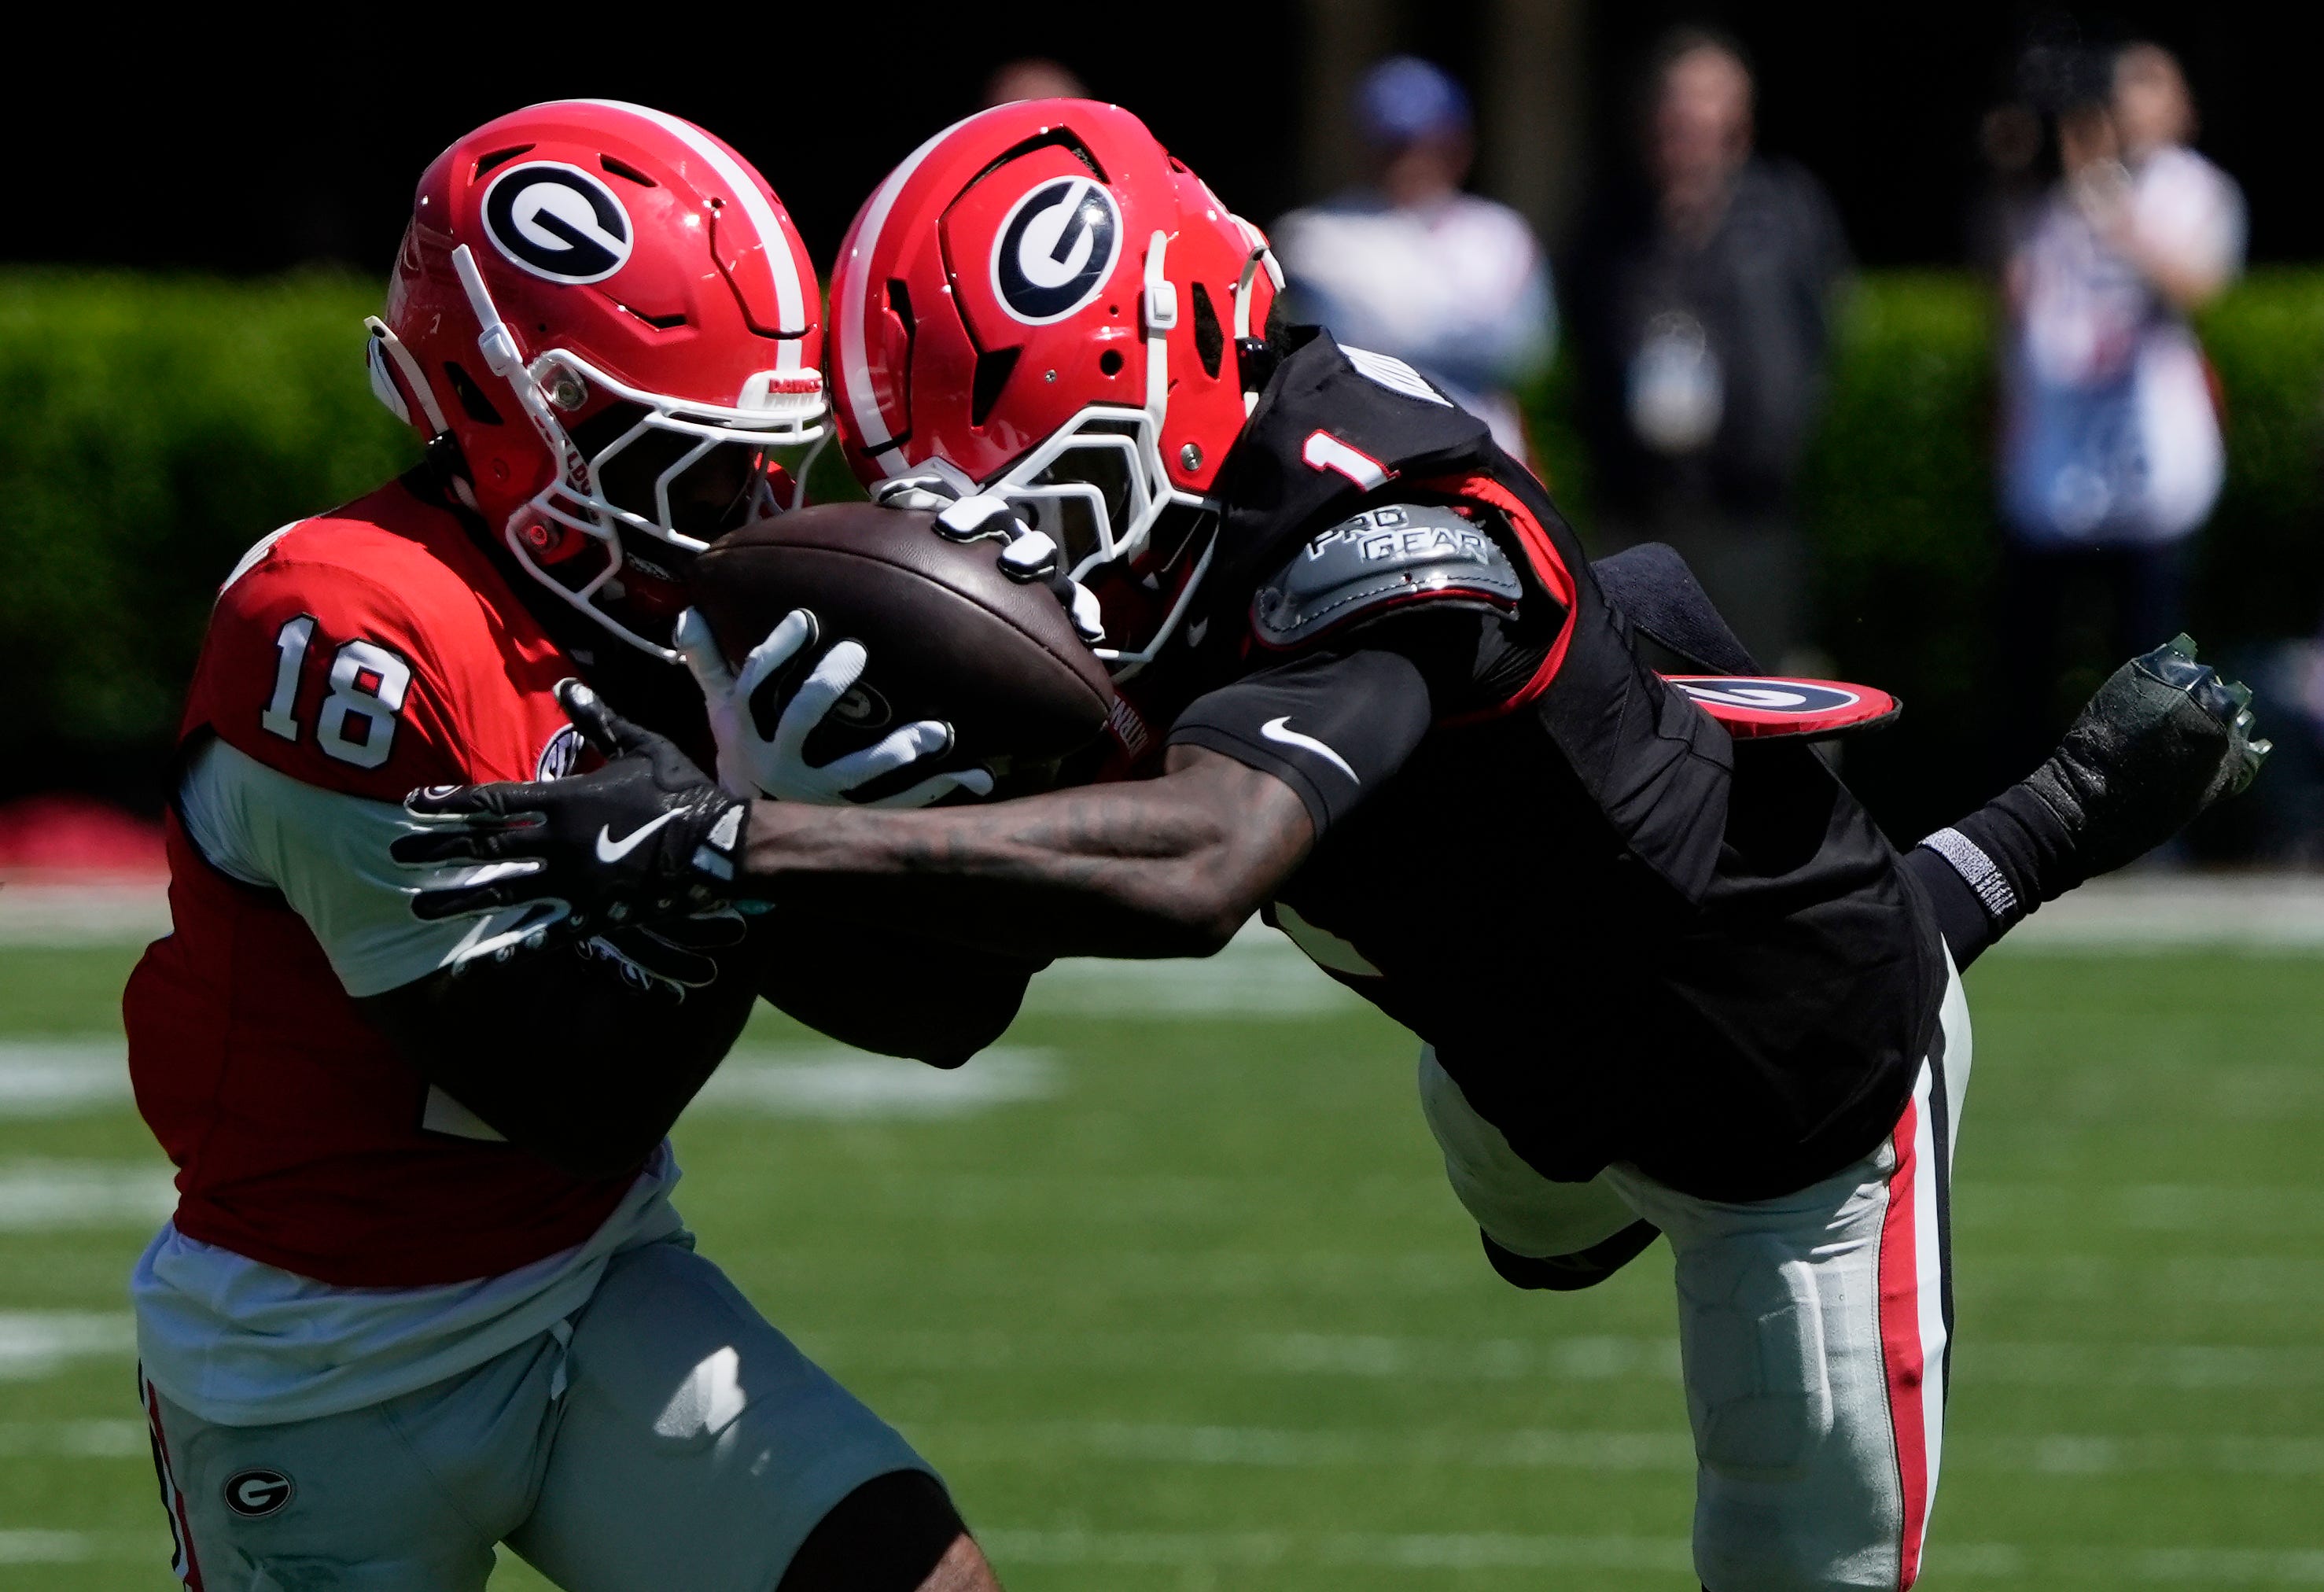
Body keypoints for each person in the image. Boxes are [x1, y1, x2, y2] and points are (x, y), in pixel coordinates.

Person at [403, 99, 2267, 1592]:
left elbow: (1207, 857)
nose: (1023, 569)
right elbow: (962, 998)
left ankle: (2035, 832)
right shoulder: (1167, 509)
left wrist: (753, 837)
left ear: (1178, 366)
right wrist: (736, 844)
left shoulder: (1389, 526)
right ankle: (2023, 830)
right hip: (1509, 1050)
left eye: (1048, 507)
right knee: (1548, 1193)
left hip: (1793, 1105)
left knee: (1792, 1498)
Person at [121, 100, 1029, 1592]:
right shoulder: (341, 633)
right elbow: (557, 1085)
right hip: (325, 1350)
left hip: (594, 1275)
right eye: (690, 463)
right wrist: (750, 847)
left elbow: (948, 1016)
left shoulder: (680, 620)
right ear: (506, 408)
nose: (749, 514)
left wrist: (891, 841)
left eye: (762, 464)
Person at [1565, 30, 1852, 669]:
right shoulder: (1611, 220)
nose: (1689, 125)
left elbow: (1819, 330)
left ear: (1738, 121)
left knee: (1751, 691)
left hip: (1749, 515)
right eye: (1677, 108)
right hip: (1638, 512)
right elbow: (1580, 331)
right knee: (1640, 693)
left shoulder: (1784, 211)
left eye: (1707, 107)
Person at [1996, 42, 2244, 776]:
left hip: (2148, 473)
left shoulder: (2191, 188)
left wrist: (2106, 193)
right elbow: (2008, 300)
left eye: (2145, 82)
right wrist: (2023, 171)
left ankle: (2159, 829)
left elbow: (2191, 284)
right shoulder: (2045, 194)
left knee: (2151, 665)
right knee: (2026, 663)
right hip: (2051, 470)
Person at [1271, 56, 1554, 459]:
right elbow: (1331, 355)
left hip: (1487, 453)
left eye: (1428, 142)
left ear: (1460, 144)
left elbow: (1525, 350)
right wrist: (1458, 326)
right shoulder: (1312, 236)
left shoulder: (1502, 233)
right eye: (1394, 144)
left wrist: (1394, 327)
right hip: (1369, 454)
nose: (1411, 159)